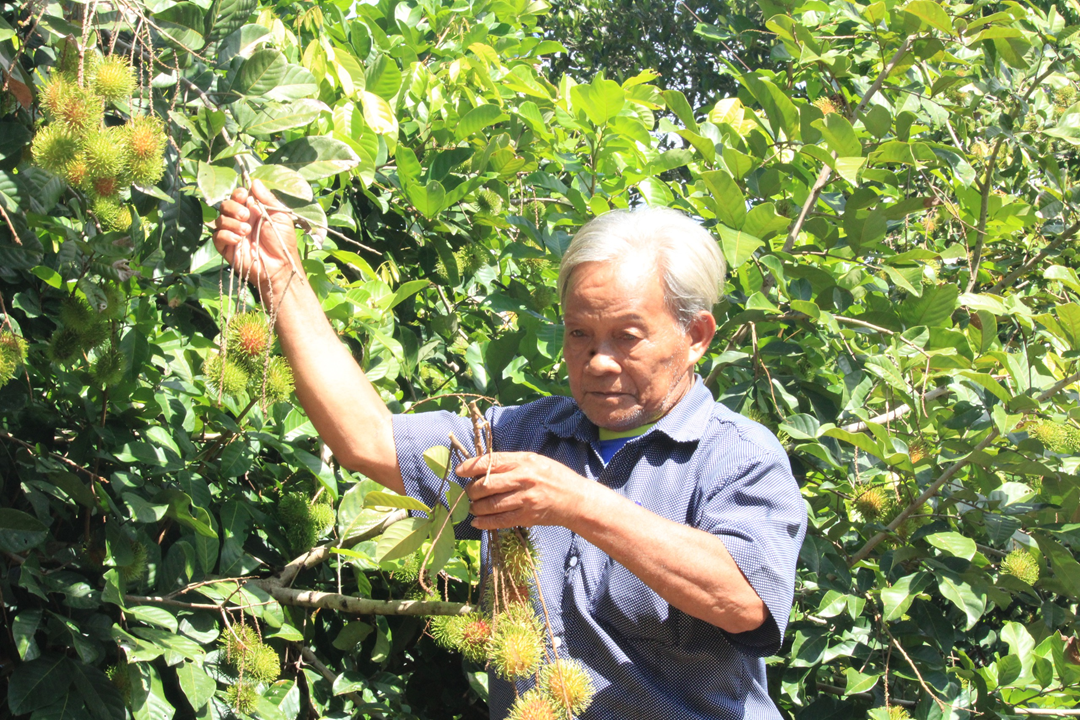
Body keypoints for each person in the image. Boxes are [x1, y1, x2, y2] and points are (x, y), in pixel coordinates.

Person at [213, 181, 807, 720]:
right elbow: (366, 438)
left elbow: (743, 599)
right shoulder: (522, 436)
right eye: (579, 334)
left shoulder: (738, 456)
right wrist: (280, 277)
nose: (598, 362)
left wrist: (578, 503)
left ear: (695, 336)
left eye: (626, 337)